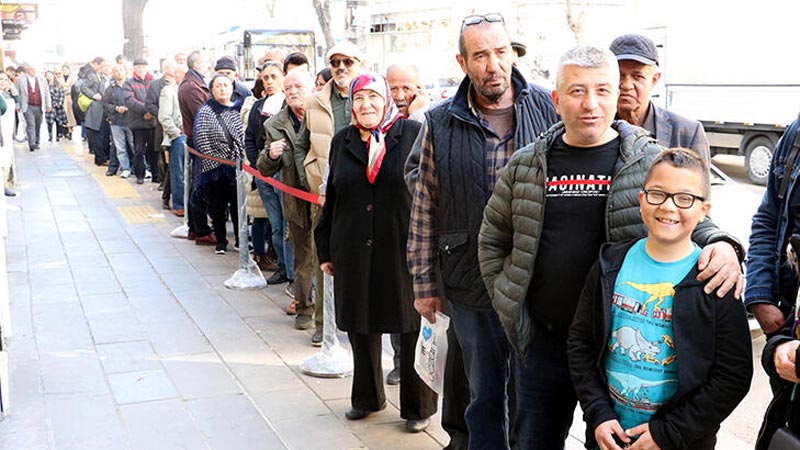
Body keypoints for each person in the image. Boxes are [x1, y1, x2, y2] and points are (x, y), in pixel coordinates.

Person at [476, 45, 745, 449]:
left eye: (603, 90)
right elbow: (492, 237)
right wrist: (510, 300)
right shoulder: (526, 164)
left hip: (615, 348)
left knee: (605, 440)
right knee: (531, 440)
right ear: (556, 99)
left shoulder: (646, 160)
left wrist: (723, 244)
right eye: (577, 91)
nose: (591, 104)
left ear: (616, 93)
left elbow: (685, 214)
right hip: (543, 345)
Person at [405, 13, 558, 449]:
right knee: (483, 393)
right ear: (463, 62)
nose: (493, 65)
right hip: (469, 280)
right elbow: (424, 206)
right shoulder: (439, 122)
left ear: (513, 52)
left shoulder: (549, 108)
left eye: (500, 52)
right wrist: (424, 282)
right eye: (480, 56)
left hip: (536, 279)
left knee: (533, 392)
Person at [568, 148, 752, 450]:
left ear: (704, 209)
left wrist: (669, 432)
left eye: (685, 198)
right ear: (641, 200)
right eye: (657, 194)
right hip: (609, 437)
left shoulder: (715, 280)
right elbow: (580, 344)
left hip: (680, 442)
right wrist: (598, 412)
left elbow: (733, 376)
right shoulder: (608, 265)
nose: (668, 207)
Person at [315, 72, 437, 431]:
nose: (365, 105)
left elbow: (431, 192)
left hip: (403, 247)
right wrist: (326, 248)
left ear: (386, 99)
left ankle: (418, 407)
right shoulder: (343, 141)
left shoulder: (413, 134)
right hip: (353, 248)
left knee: (411, 326)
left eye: (372, 97)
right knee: (360, 325)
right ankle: (366, 397)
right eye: (358, 98)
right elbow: (332, 199)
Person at [295, 40, 363, 342]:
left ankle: (361, 321)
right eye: (335, 62)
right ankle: (323, 324)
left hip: (365, 195)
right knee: (326, 259)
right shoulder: (315, 100)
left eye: (347, 62)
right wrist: (309, 174)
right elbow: (300, 145)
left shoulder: (370, 95)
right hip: (324, 195)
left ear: (358, 64)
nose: (341, 68)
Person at [258, 69, 319, 342]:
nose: (293, 91)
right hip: (295, 201)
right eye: (289, 87)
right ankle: (305, 309)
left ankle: (329, 313)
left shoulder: (322, 116)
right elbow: (264, 168)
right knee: (303, 258)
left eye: (299, 86)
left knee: (328, 258)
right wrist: (270, 156)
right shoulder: (274, 124)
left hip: (323, 198)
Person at [609, 33, 709, 160]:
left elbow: (699, 179)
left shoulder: (686, 133)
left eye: (637, 76)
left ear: (654, 79)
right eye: (619, 76)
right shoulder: (595, 128)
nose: (627, 85)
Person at [244, 61, 293, 290]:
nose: (270, 81)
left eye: (274, 76)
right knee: (275, 224)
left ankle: (293, 273)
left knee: (287, 226)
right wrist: (258, 166)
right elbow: (250, 138)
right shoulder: (257, 107)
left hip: (285, 174)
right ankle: (283, 266)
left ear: (283, 76)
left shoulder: (290, 103)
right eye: (265, 78)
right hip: (264, 174)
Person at [192, 75, 243, 255]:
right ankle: (221, 241)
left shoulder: (240, 109)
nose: (223, 89)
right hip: (214, 169)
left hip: (238, 168)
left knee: (239, 207)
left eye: (226, 85)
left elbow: (245, 136)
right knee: (218, 207)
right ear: (212, 90)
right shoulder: (206, 111)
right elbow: (201, 138)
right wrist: (219, 159)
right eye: (218, 86)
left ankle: (240, 240)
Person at [179, 50, 216, 246]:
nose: (208, 65)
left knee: (198, 183)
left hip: (198, 140)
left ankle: (196, 227)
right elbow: (203, 115)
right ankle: (200, 229)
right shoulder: (192, 87)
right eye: (205, 62)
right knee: (200, 185)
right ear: (196, 65)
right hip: (201, 141)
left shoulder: (193, 84)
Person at [158, 63, 187, 217]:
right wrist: (177, 134)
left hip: (191, 136)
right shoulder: (168, 91)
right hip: (178, 136)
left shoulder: (192, 91)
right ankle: (179, 204)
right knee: (178, 173)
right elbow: (164, 116)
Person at [123, 58, 156, 184]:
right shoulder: (129, 83)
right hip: (138, 123)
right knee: (139, 150)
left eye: (143, 67)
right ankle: (140, 175)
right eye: (138, 67)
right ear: (134, 68)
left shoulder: (153, 82)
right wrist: (146, 110)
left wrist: (152, 112)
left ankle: (156, 175)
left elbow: (157, 98)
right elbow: (130, 101)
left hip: (153, 122)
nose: (141, 69)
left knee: (154, 151)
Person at [103, 64, 134, 179]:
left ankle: (140, 168)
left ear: (125, 71)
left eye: (121, 70)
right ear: (113, 73)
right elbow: (105, 104)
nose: (119, 72)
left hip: (131, 121)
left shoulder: (131, 85)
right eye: (116, 71)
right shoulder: (110, 89)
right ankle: (125, 168)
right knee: (120, 147)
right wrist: (116, 108)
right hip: (116, 121)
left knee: (134, 145)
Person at [16, 64, 52, 152]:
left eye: (33, 68)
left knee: (38, 124)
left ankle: (37, 141)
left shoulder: (42, 79)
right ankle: (31, 143)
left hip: (39, 105)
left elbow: (46, 92)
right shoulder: (20, 79)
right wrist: (18, 106)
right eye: (30, 68)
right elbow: (17, 93)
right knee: (30, 124)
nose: (32, 70)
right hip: (27, 105)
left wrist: (48, 105)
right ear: (26, 69)